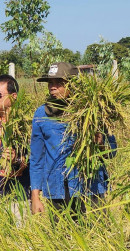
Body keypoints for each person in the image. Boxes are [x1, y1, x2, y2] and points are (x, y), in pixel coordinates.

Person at [30, 62, 117, 217]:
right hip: (57, 189)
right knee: (62, 237)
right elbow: (37, 158)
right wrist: (35, 196)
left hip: (90, 186)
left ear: (73, 85)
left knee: (96, 235)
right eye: (50, 83)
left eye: (59, 83)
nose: (53, 87)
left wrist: (100, 143)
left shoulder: (92, 111)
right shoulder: (41, 114)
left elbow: (112, 152)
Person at [0, 74, 30, 220]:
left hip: (17, 197)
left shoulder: (25, 126)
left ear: (14, 96)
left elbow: (32, 162)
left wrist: (15, 159)